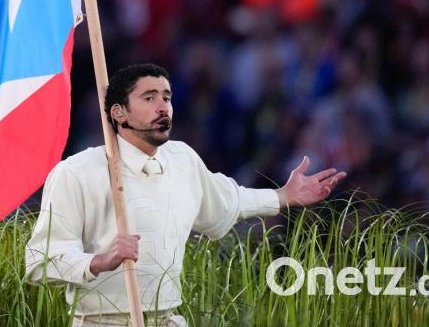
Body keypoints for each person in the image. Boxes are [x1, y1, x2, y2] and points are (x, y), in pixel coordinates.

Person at [25, 64, 346, 326]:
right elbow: (39, 260)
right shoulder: (76, 172)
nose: (163, 106)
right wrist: (99, 261)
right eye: (149, 98)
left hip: (168, 320)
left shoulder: (183, 159)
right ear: (119, 113)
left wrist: (281, 197)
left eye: (167, 97)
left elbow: (228, 199)